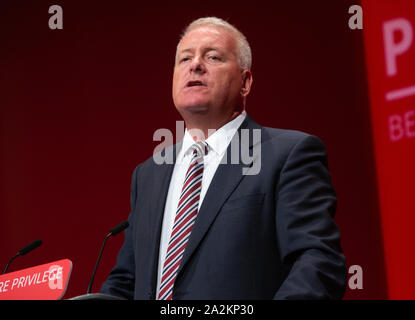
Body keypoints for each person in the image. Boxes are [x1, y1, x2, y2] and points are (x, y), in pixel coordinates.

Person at [100, 17, 347, 300]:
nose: (195, 65)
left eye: (213, 56)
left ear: (245, 82)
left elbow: (318, 263)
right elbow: (125, 282)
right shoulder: (148, 174)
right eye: (184, 59)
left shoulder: (288, 154)